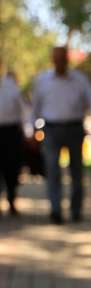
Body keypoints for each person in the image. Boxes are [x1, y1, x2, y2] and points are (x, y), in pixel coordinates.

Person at [32, 46, 91, 224]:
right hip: (51, 129)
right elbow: (35, 107)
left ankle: (76, 210)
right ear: (52, 60)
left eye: (63, 59)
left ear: (67, 60)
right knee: (52, 171)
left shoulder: (80, 80)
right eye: (57, 59)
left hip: (75, 128)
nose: (60, 62)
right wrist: (32, 129)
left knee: (76, 171)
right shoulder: (42, 80)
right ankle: (55, 210)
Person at [0, 65, 25, 216]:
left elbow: (24, 110)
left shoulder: (11, 87)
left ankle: (11, 199)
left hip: (11, 132)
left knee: (12, 168)